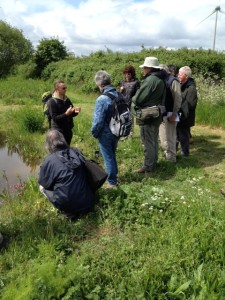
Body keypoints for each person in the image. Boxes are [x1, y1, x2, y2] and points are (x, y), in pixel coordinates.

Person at [38, 130, 95, 219]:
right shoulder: (75, 151)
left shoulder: (49, 160)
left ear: (49, 144)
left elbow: (45, 184)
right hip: (88, 200)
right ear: (63, 140)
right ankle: (79, 206)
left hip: (68, 205)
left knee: (41, 187)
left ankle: (69, 211)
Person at [132, 57, 166, 174]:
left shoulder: (150, 80)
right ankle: (153, 162)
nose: (143, 70)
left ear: (150, 68)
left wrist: (133, 98)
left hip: (147, 115)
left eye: (145, 67)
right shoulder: (160, 79)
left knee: (147, 142)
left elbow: (138, 99)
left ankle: (148, 167)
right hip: (156, 114)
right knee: (154, 141)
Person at [91, 70, 119, 188]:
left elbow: (98, 122)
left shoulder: (102, 99)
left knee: (108, 156)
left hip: (106, 132)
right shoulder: (117, 94)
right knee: (112, 154)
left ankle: (112, 182)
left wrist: (94, 133)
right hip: (117, 130)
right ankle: (115, 175)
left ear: (100, 85)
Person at [159, 64, 182, 163]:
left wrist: (174, 113)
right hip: (163, 113)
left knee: (171, 137)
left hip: (171, 113)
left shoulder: (173, 81)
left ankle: (172, 158)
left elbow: (178, 98)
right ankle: (167, 154)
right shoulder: (163, 80)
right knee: (164, 137)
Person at [47, 80, 81, 145]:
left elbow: (72, 114)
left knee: (67, 150)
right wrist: (66, 114)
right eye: (63, 88)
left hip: (68, 131)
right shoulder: (52, 102)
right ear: (57, 89)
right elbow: (55, 118)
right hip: (58, 132)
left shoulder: (67, 99)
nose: (65, 90)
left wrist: (76, 111)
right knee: (59, 152)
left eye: (66, 88)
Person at [177, 66, 198, 157]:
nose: (178, 76)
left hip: (186, 116)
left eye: (180, 74)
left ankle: (185, 154)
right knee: (177, 134)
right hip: (179, 115)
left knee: (184, 135)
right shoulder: (181, 85)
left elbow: (190, 105)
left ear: (186, 76)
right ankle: (175, 153)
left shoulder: (191, 88)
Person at [119, 65, 140, 136]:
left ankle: (130, 135)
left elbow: (138, 94)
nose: (127, 75)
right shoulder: (122, 82)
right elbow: (120, 94)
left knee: (130, 120)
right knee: (122, 119)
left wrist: (134, 103)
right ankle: (123, 134)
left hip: (131, 104)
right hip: (123, 104)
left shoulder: (136, 82)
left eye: (128, 73)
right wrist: (120, 91)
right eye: (125, 73)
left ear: (132, 74)